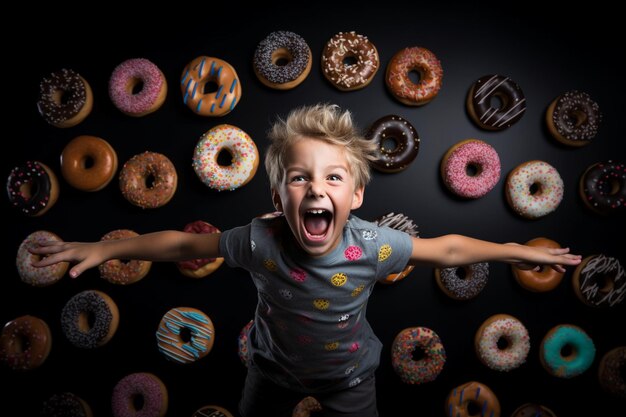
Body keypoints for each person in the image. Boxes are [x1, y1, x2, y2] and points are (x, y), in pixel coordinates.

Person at [32, 103, 581, 417]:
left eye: (333, 178)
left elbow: (451, 250)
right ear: (279, 199)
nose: (316, 188)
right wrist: (105, 247)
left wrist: (514, 251)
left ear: (356, 197)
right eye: (300, 178)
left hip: (350, 379)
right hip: (270, 372)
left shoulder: (373, 245)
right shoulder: (258, 240)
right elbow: (181, 245)